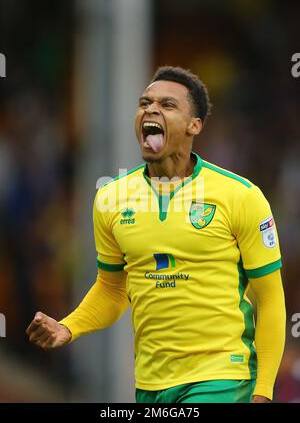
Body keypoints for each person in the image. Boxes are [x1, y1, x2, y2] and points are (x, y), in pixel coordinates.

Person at [26, 66, 286, 403]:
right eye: (145, 103)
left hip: (222, 378)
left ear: (195, 125)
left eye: (167, 105)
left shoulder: (241, 196)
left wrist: (263, 392)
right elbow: (112, 288)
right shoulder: (111, 198)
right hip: (150, 384)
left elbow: (271, 299)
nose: (151, 110)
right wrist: (69, 327)